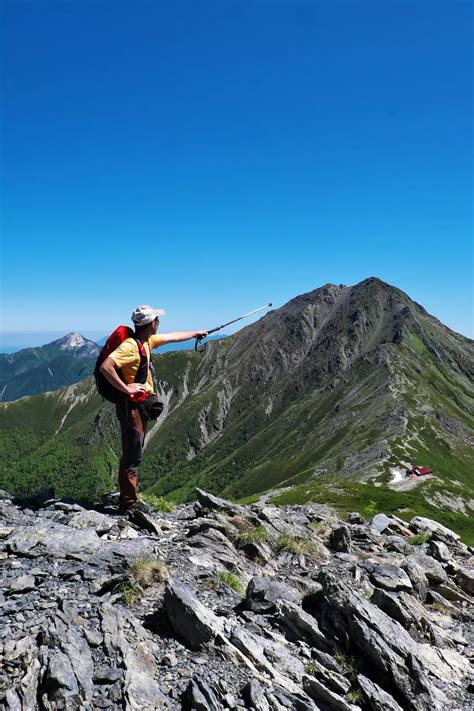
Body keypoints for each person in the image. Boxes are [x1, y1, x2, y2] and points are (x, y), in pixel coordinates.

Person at [99, 305, 208, 513]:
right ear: (153, 323)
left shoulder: (146, 341)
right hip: (132, 407)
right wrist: (126, 388)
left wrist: (196, 333)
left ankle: (128, 499)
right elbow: (106, 367)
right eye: (158, 319)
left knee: (134, 452)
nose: (160, 323)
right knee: (132, 454)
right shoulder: (132, 346)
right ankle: (129, 504)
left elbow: (173, 337)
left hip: (138, 405)